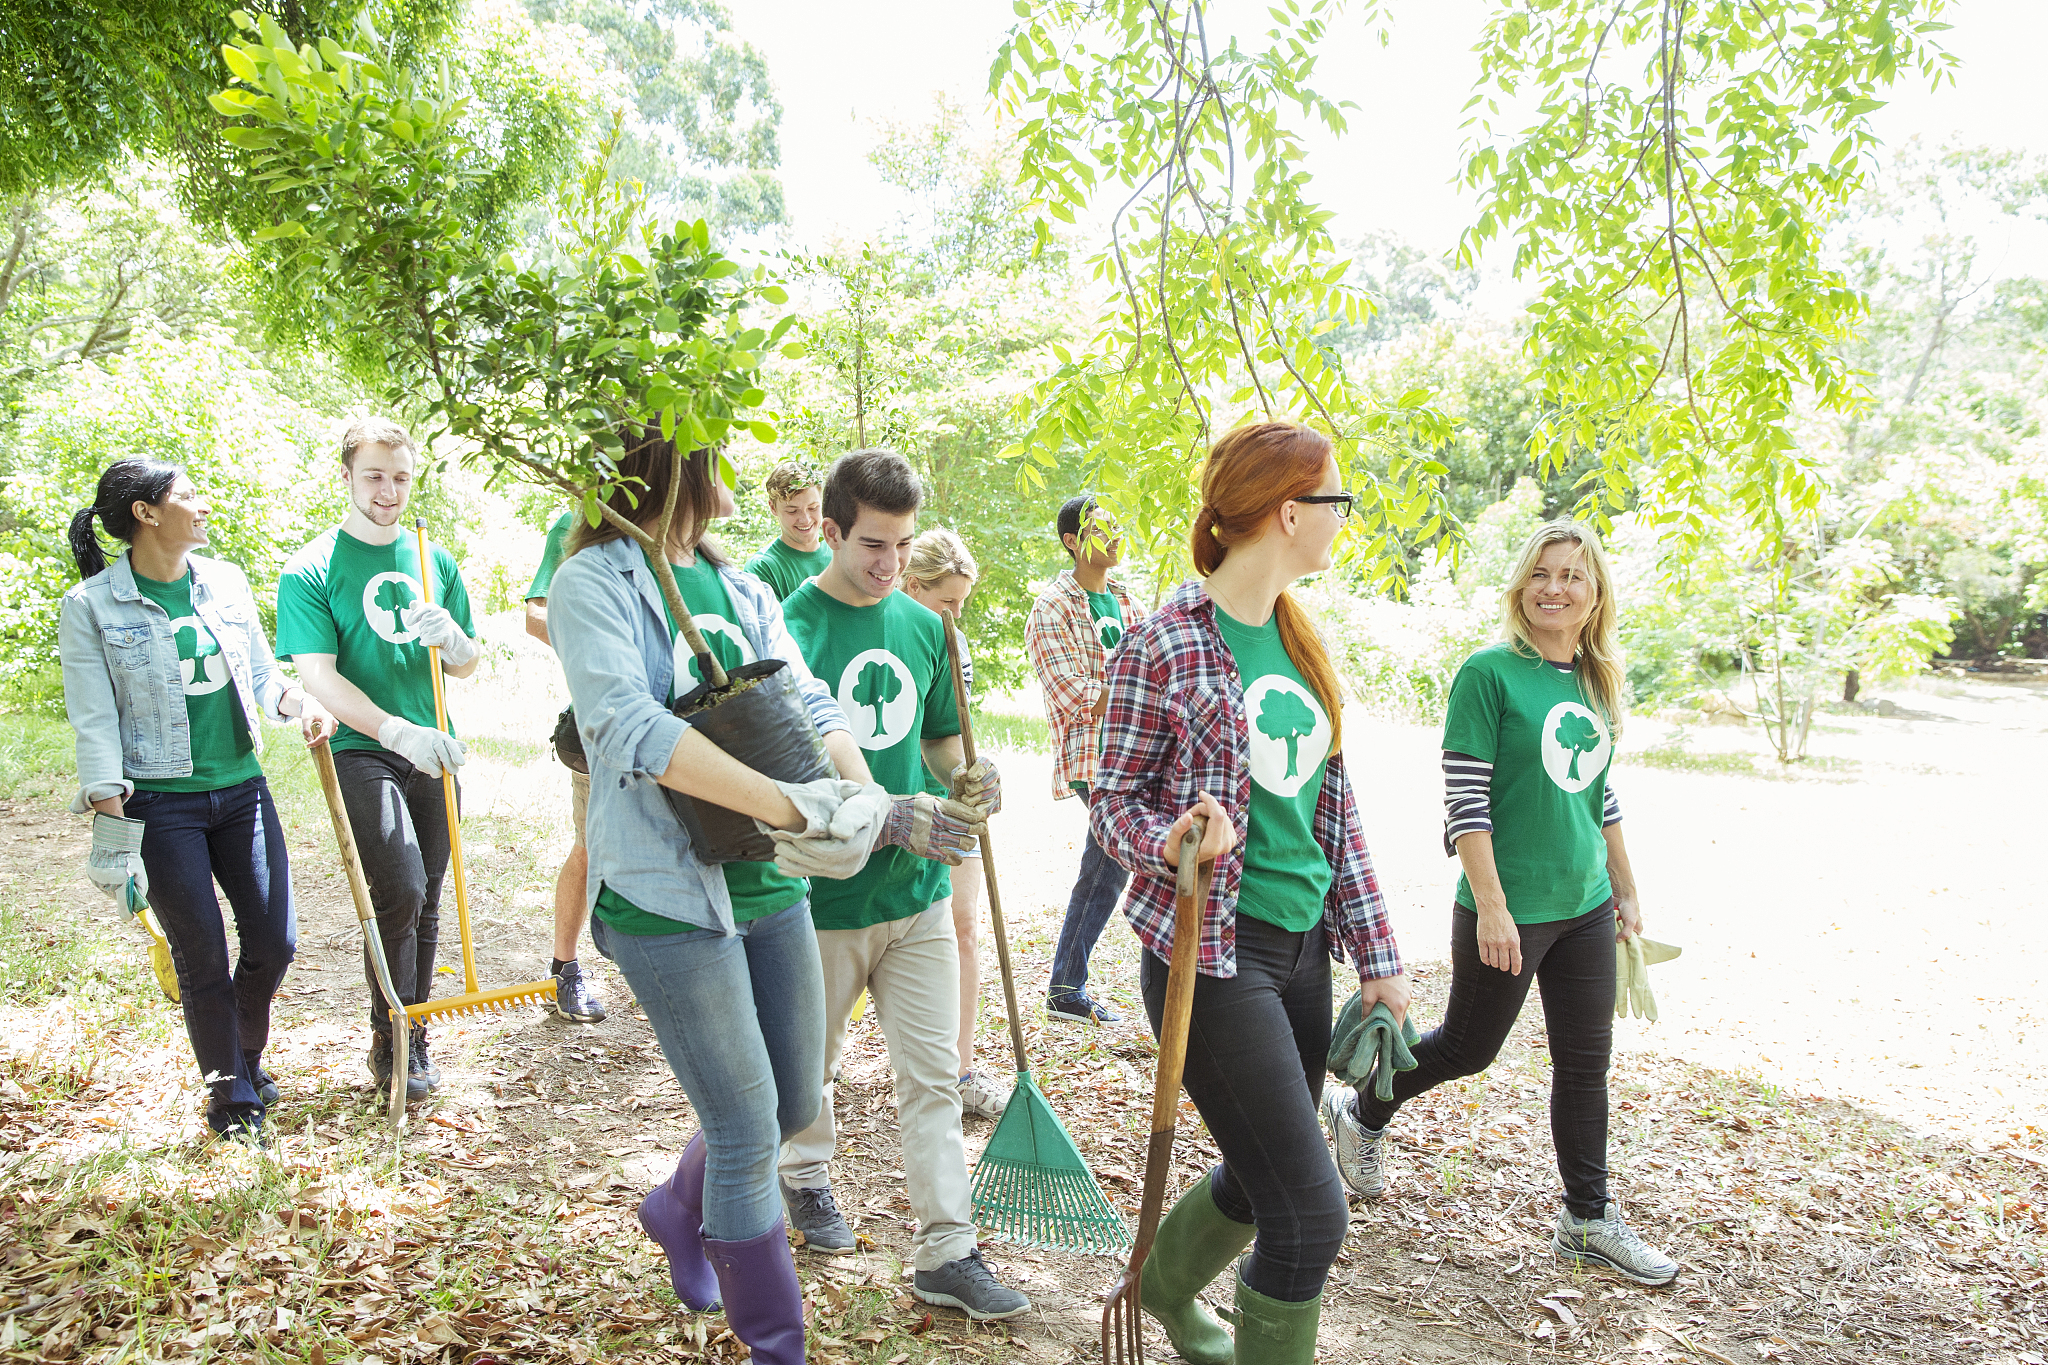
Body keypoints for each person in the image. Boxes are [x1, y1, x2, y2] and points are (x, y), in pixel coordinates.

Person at [545, 432, 892, 1365]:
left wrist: (858, 793)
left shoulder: (739, 589)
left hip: (767, 878)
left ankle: (675, 1208)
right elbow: (625, 724)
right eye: (722, 452)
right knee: (745, 1128)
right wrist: (794, 803)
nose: (742, 470)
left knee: (787, 1101)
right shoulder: (594, 584)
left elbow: (806, 700)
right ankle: (777, 1349)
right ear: (677, 466)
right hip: (666, 895)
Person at [1093, 421, 1406, 1365]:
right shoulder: (1165, 641)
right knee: (1310, 1216)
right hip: (1213, 957)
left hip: (1303, 951)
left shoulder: (1299, 641)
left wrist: (1378, 957)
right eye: (1336, 501)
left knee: (1264, 1170)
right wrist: (1169, 839)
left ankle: (1159, 1284)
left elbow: (1335, 811)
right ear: (1287, 511)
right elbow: (1110, 799)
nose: (1342, 517)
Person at [1319, 520, 1680, 1288]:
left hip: (1583, 904)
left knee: (1586, 1065)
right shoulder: (1488, 673)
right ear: (1522, 585)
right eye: (1542, 572)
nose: (1556, 587)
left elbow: (1598, 789)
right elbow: (1465, 800)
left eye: (1573, 575)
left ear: (1595, 593)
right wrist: (1492, 905)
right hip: (1507, 906)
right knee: (1468, 1047)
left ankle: (1586, 1217)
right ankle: (1364, 1110)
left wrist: (1625, 884)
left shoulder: (1593, 677)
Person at [776, 450, 1028, 1321]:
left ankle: (946, 1249)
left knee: (930, 1076)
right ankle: (804, 1176)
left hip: (916, 892)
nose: (889, 563)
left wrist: (973, 778)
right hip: (822, 898)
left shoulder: (929, 631)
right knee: (810, 1065)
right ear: (833, 531)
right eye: (874, 544)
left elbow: (944, 747)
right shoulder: (785, 628)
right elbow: (782, 770)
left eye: (903, 543)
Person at [59, 459, 336, 1144]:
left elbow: (264, 676)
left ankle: (242, 1056)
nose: (202, 505)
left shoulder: (227, 582)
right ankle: (230, 1096)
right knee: (202, 952)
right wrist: (109, 819)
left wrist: (300, 703)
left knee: (275, 941)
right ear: (147, 514)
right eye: (186, 495)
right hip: (159, 802)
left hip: (241, 788)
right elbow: (94, 719)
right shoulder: (91, 605)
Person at [275, 416, 480, 1101]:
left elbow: (469, 662)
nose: (388, 490)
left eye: (399, 476)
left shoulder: (432, 558)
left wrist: (452, 639)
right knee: (402, 888)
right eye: (373, 476)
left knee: (426, 902)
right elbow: (318, 675)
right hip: (366, 748)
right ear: (347, 477)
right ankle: (388, 1032)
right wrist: (396, 731)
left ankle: (415, 1034)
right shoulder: (310, 567)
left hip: (435, 746)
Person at [1025, 495, 1142, 1024]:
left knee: (1108, 865)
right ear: (1072, 542)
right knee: (1109, 865)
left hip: (1138, 752)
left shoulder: (1125, 597)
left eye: (1118, 525)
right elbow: (1076, 699)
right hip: (1094, 758)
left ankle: (1066, 986)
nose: (1114, 535)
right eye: (1100, 528)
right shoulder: (1052, 607)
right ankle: (1066, 988)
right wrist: (1136, 686)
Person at [900, 527, 1003, 1120]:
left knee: (965, 927)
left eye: (962, 602)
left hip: (947, 804)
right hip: (886, 801)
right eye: (948, 601)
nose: (956, 615)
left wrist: (973, 776)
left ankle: (960, 1069)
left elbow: (950, 736)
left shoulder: (950, 642)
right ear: (913, 585)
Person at [522, 510, 606, 1022]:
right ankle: (566, 970)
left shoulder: (673, 519)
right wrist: (600, 652)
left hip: (672, 721)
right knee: (590, 847)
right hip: (598, 720)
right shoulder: (577, 520)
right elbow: (535, 615)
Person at [745, 458, 832, 601]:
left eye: (813, 508)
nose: (805, 519)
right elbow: (771, 622)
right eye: (792, 511)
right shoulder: (762, 567)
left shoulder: (840, 551)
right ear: (773, 508)